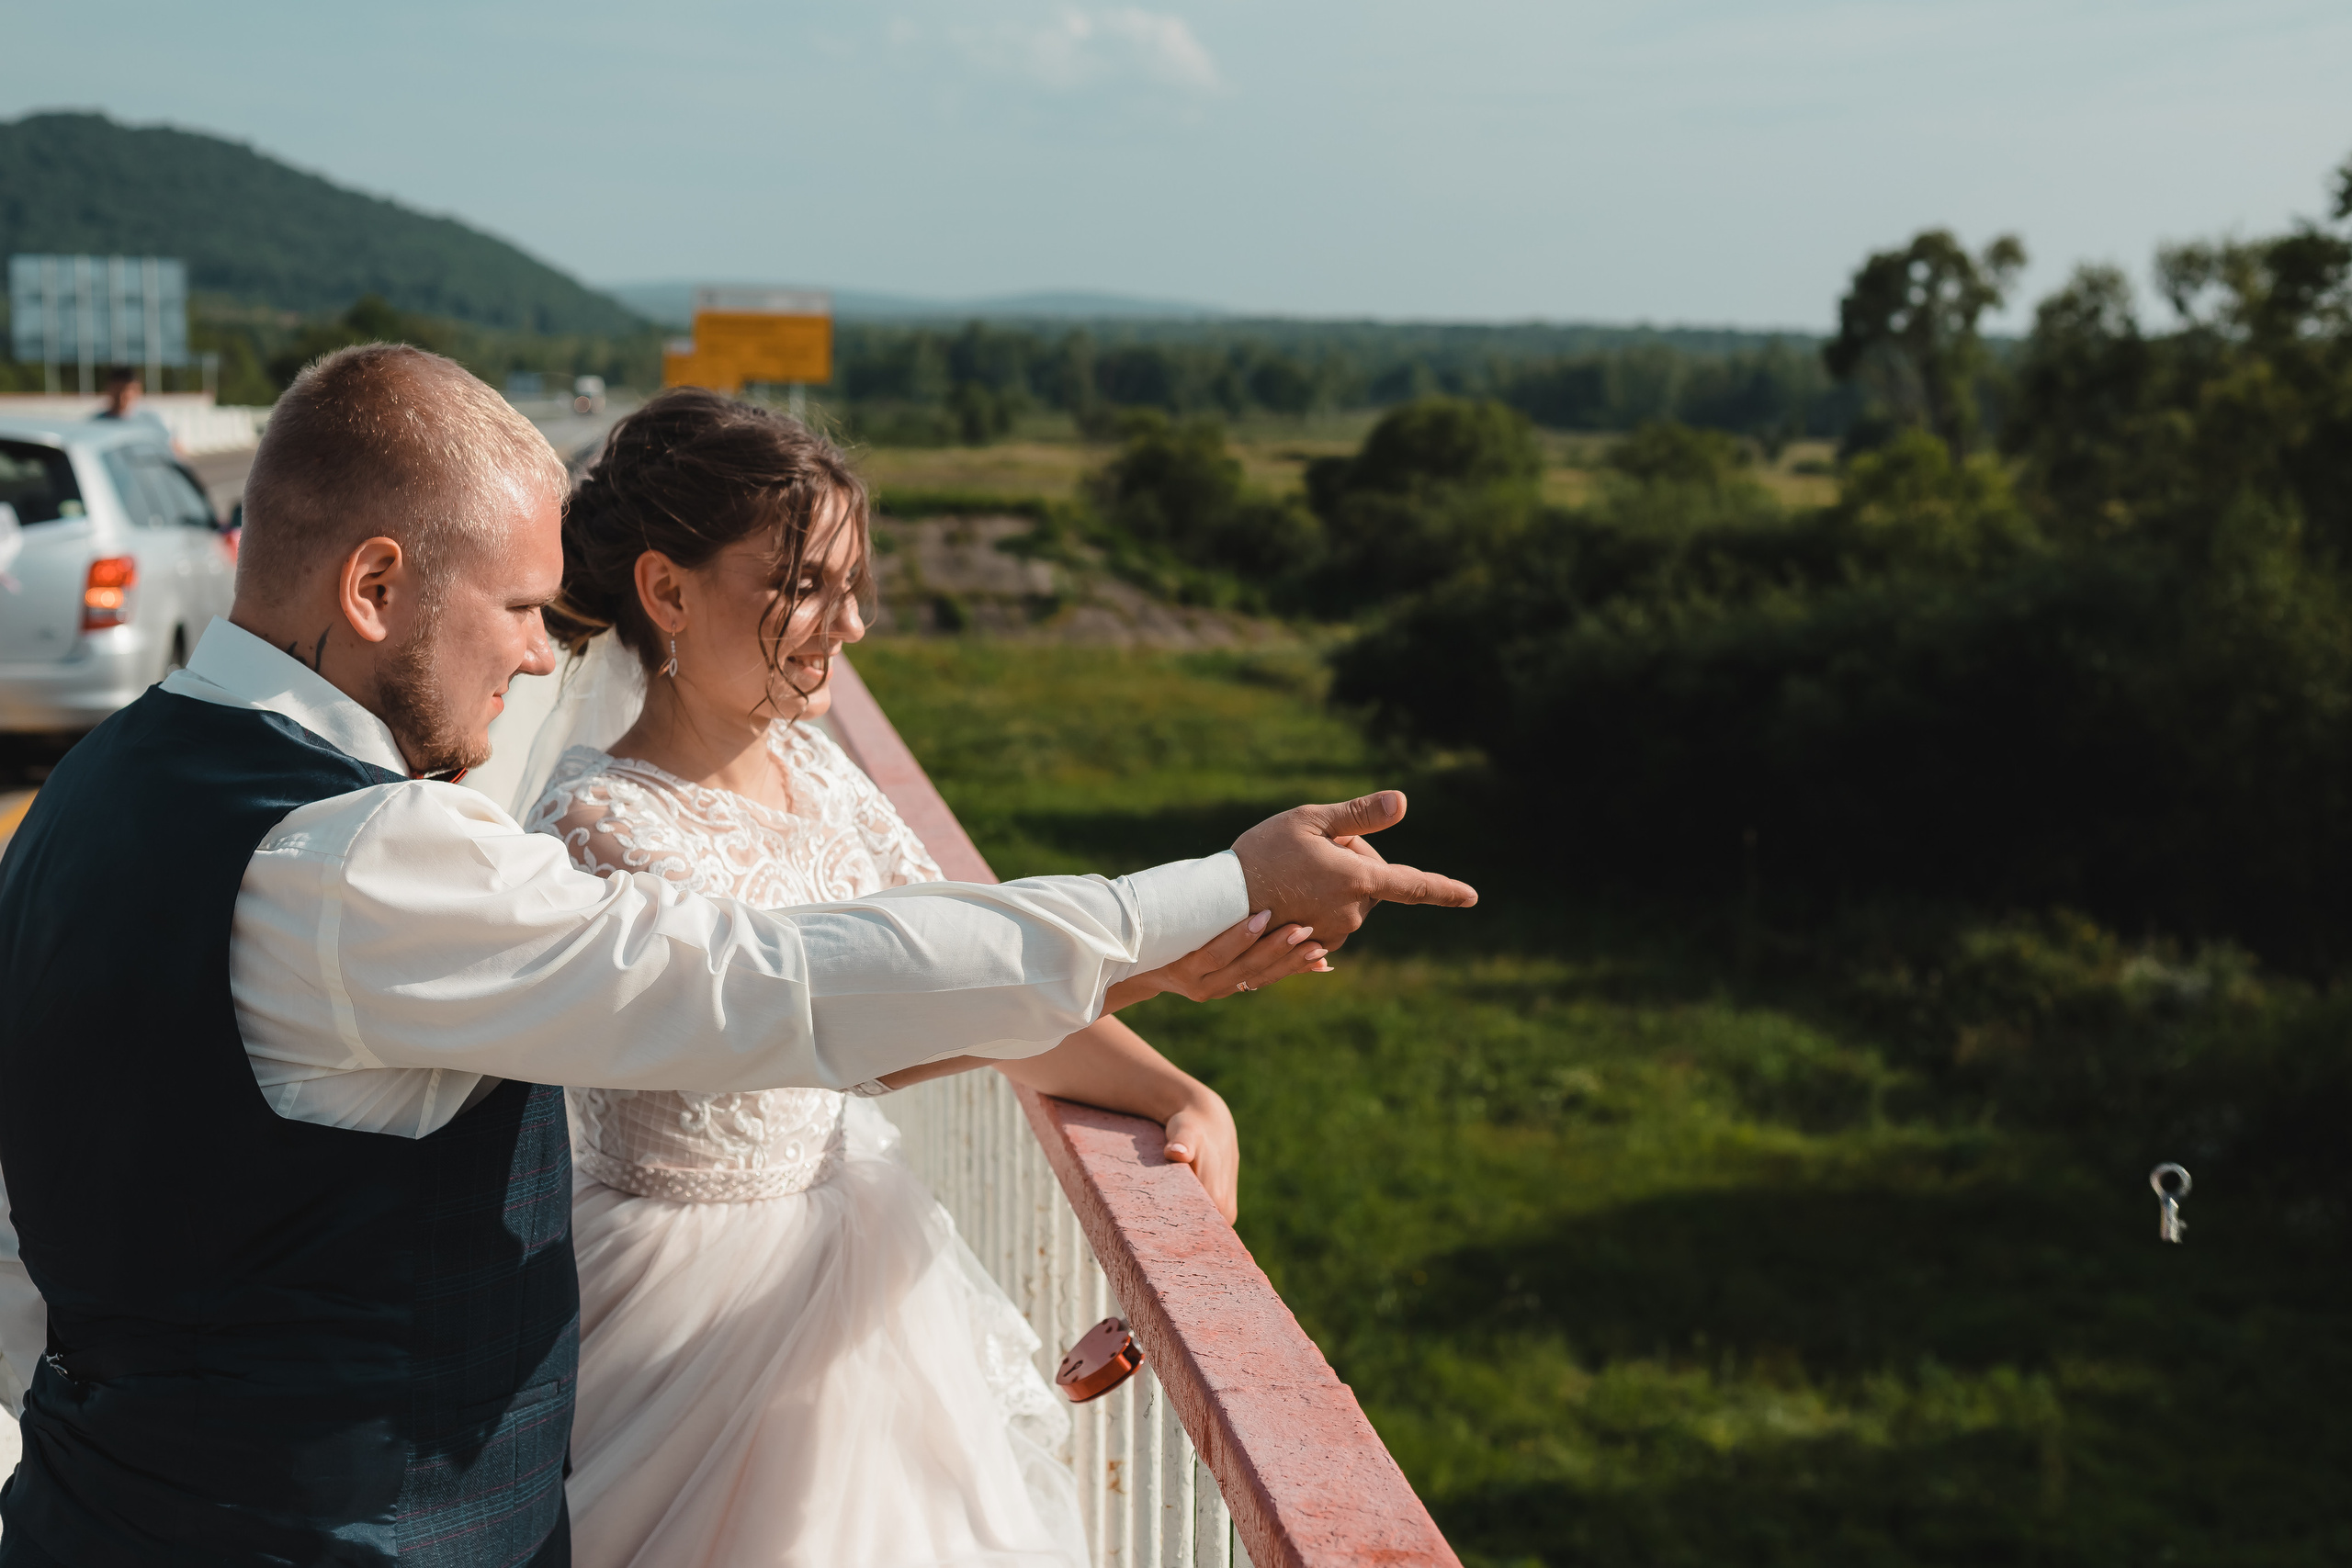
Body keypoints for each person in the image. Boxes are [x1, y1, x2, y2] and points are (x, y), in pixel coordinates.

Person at [0, 344, 1476, 1568]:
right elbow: (782, 983)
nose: (535, 659)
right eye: (518, 608)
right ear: (376, 587)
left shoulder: (100, 787)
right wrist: (1214, 885)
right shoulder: (363, 856)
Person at [520, 391, 1316, 1567]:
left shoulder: (821, 775)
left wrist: (1174, 1093)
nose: (846, 626)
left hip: (862, 1264)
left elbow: (960, 983)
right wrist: (1153, 969)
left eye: (850, 586)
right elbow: (865, 1028)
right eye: (800, 587)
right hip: (695, 1310)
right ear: (667, 591)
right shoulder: (601, 826)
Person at [89, 367, 179, 452]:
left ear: (137, 390)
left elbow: (174, 449)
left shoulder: (150, 420)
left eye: (125, 390)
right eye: (117, 390)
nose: (121, 396)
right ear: (108, 389)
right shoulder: (96, 424)